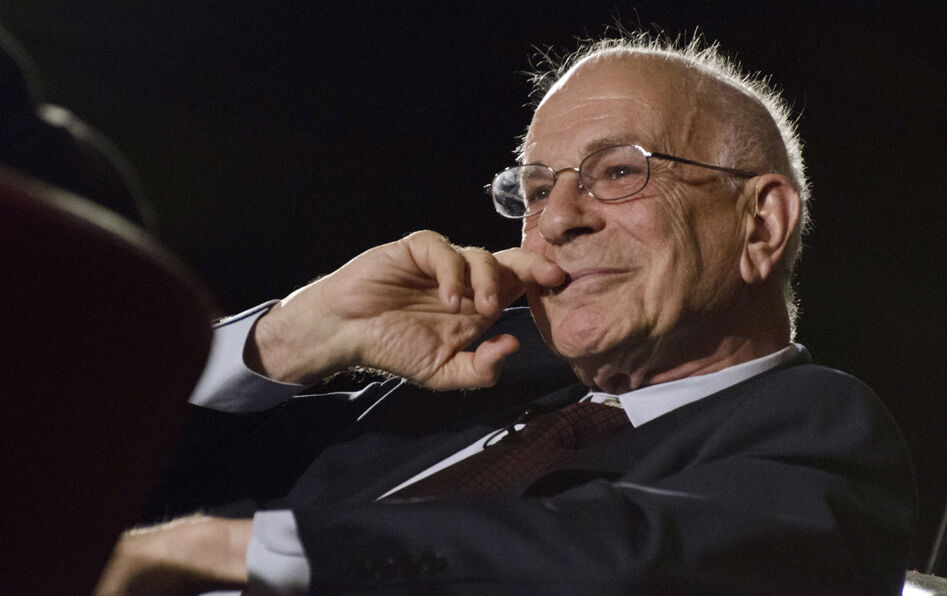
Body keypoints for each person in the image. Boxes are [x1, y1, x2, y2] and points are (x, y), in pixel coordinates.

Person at [96, 33, 915, 595]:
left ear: (760, 225)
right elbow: (94, 475)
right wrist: (290, 338)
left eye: (618, 172)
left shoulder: (816, 431)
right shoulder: (483, 373)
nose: (555, 219)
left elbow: (626, 559)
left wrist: (230, 549)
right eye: (535, 188)